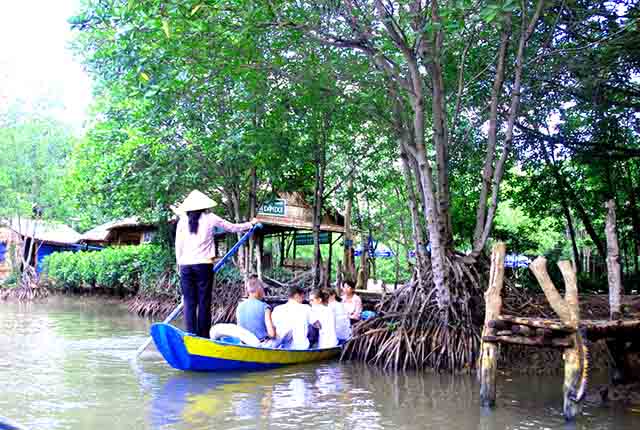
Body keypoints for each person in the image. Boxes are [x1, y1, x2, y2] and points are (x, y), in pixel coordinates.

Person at [175, 189, 255, 338]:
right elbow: (232, 227)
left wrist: (179, 264)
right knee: (204, 301)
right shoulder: (210, 217)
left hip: (186, 266)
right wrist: (250, 224)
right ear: (204, 205)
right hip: (203, 265)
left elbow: (178, 245)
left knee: (189, 301)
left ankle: (190, 334)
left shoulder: (182, 221)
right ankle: (203, 335)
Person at [271, 285, 317, 350]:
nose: (303, 300)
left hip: (281, 347)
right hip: (301, 347)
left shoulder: (277, 309)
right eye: (302, 297)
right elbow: (317, 325)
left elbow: (272, 328)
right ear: (297, 295)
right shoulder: (306, 308)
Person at [236, 274, 276, 342]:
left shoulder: (239, 306)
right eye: (263, 289)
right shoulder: (265, 307)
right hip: (260, 345)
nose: (264, 292)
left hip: (244, 343)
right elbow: (271, 334)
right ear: (259, 289)